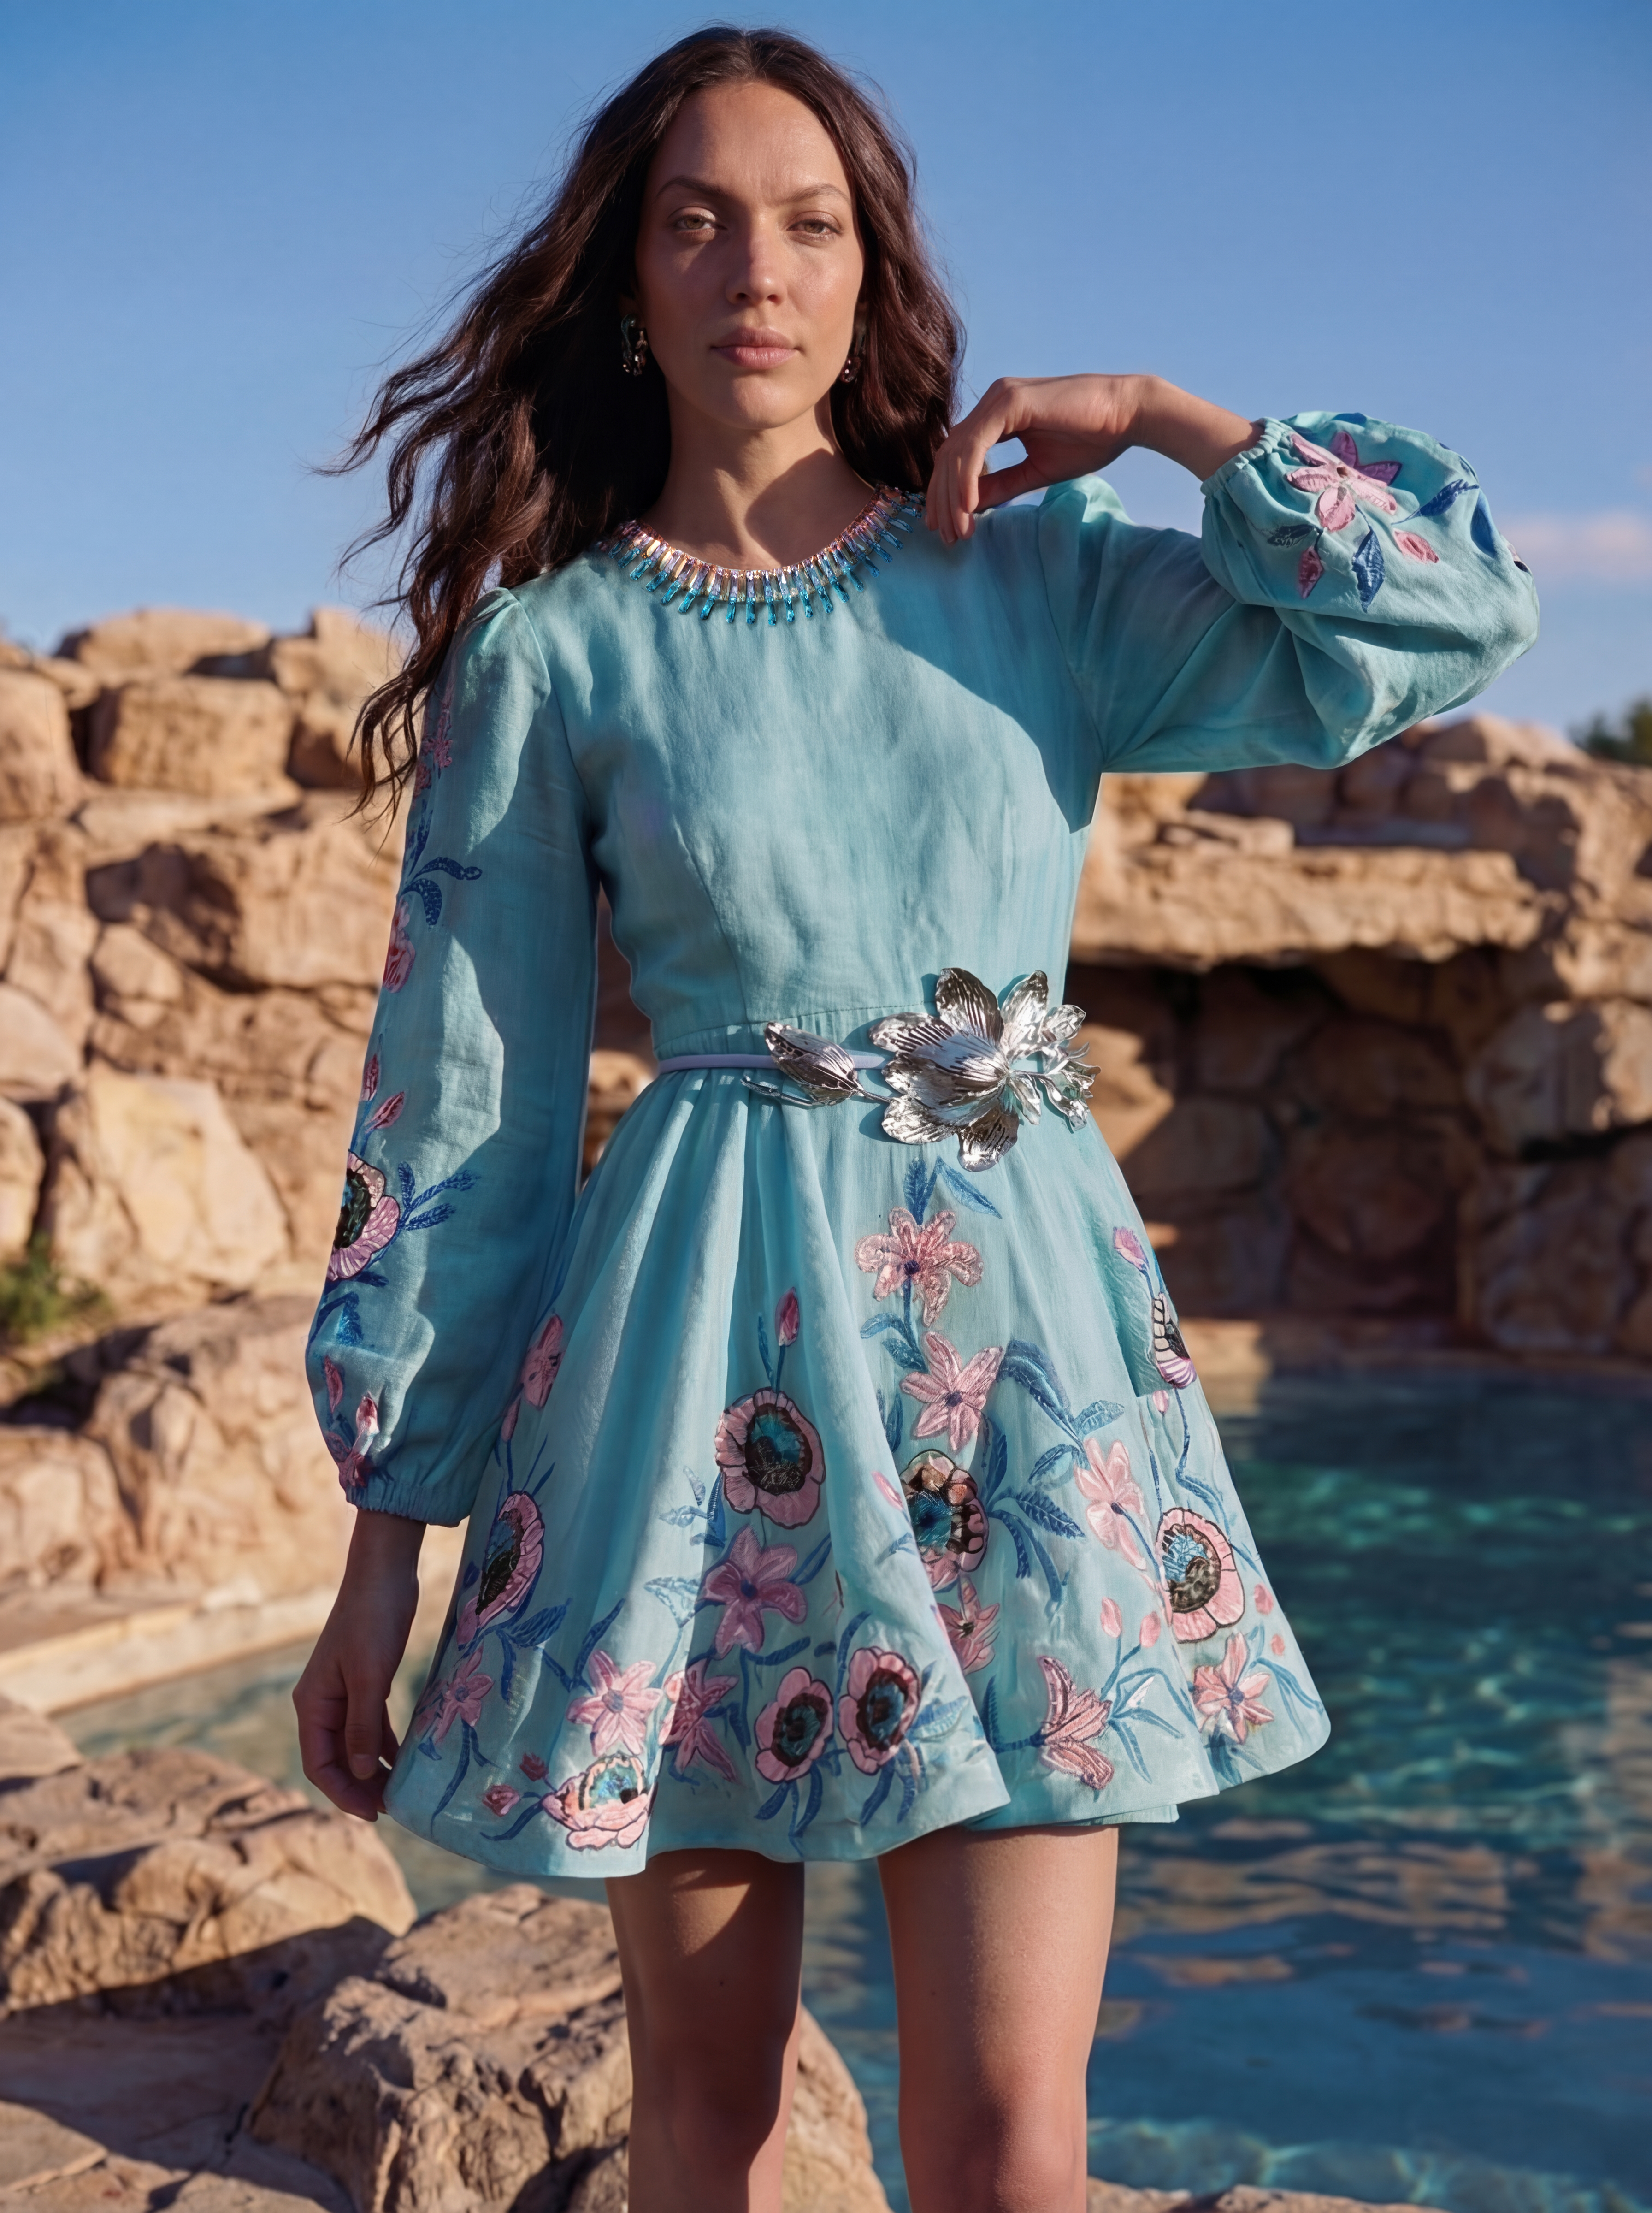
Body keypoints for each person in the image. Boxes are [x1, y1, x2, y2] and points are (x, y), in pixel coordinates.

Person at [294, 26, 1537, 2212]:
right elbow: (458, 1109)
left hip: (1017, 1411)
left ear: (873, 274)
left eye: (807, 223)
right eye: (693, 222)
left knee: (1002, 2139)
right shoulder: (556, 654)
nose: (750, 272)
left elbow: (1449, 613)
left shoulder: (1032, 583)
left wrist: (1158, 420)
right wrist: (378, 1556)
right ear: (625, 280)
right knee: (704, 2111)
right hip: (687, 1417)